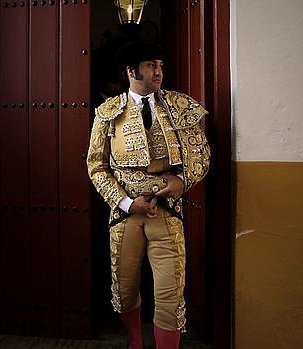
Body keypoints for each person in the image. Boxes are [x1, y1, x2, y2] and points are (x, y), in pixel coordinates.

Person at [86, 42, 211, 349]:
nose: (159, 72)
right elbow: (96, 166)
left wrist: (183, 180)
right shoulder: (108, 112)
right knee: (126, 288)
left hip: (167, 212)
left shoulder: (179, 105)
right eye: (151, 66)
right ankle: (134, 341)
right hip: (127, 214)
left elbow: (201, 155)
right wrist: (127, 202)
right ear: (132, 71)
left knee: (170, 292)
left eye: (160, 65)